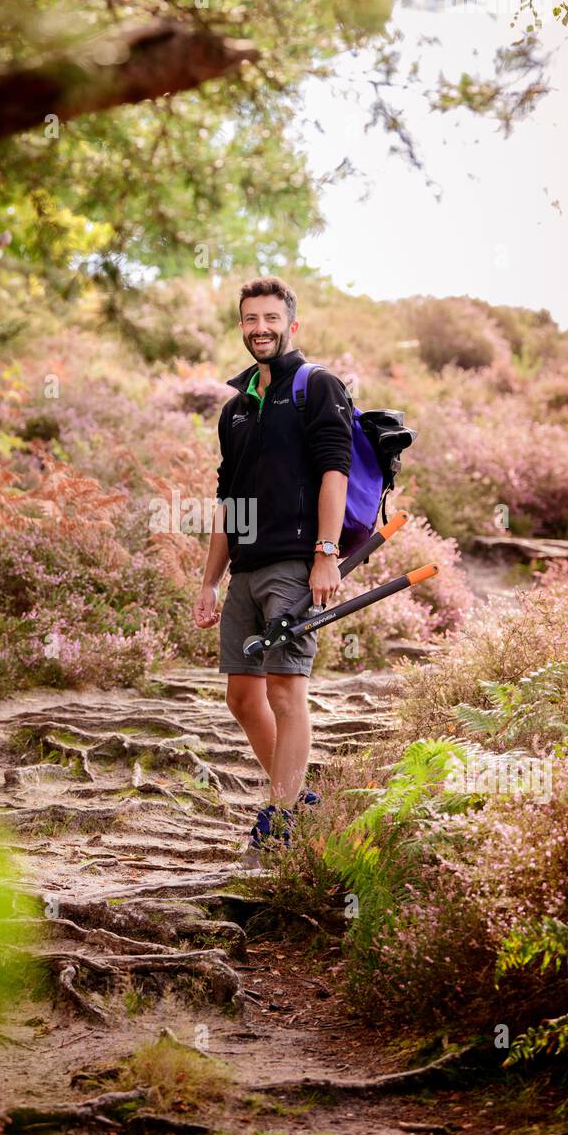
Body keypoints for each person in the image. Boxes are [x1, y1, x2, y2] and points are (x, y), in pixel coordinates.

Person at [192, 276, 353, 863]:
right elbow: (227, 500)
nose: (260, 327)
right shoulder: (236, 410)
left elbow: (335, 471)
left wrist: (326, 554)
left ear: (292, 324)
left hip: (295, 562)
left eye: (270, 317)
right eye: (249, 319)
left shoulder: (318, 387)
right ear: (241, 326)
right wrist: (209, 581)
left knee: (286, 689)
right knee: (241, 695)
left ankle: (282, 822)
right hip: (245, 570)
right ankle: (297, 800)